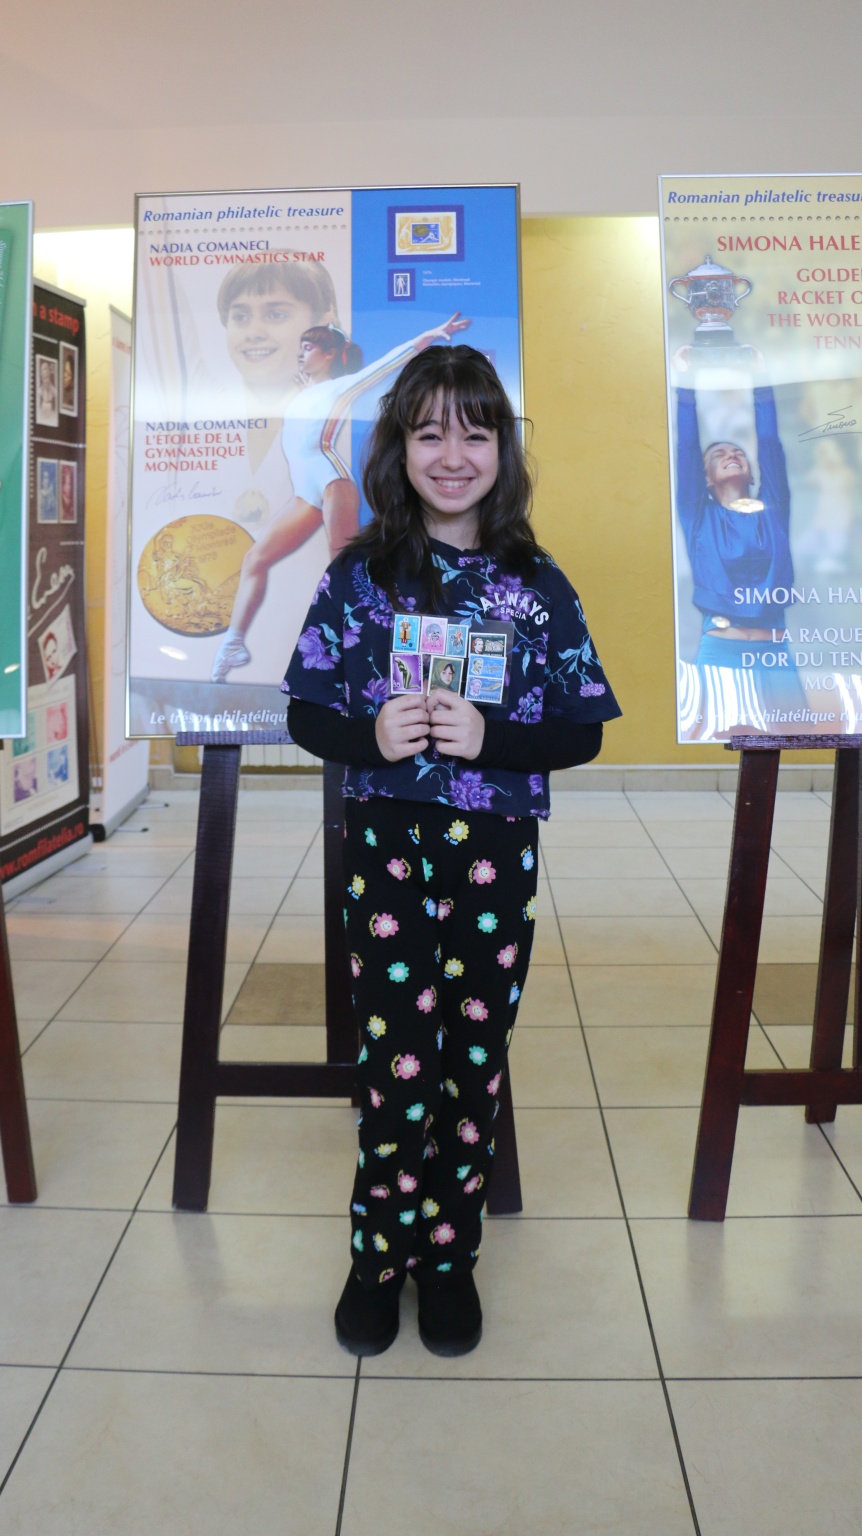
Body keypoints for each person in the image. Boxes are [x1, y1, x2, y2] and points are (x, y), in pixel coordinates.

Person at [283, 345, 620, 1358]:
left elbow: (584, 730)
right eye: (429, 432)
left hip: (493, 856)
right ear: (400, 447)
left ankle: (447, 1257)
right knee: (395, 1059)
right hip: (385, 850)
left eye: (475, 432)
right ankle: (374, 1257)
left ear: (502, 450)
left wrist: (493, 738)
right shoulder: (359, 576)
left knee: (472, 1059)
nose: (452, 454)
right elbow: (305, 711)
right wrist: (368, 735)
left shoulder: (537, 584)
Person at [212, 311, 471, 682]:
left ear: (330, 354)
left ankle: (389, 656)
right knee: (256, 558)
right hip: (305, 492)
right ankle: (233, 644)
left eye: (309, 347)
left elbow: (387, 364)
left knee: (347, 575)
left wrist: (430, 334)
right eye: (301, 346)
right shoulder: (304, 390)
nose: (300, 353)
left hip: (332, 483)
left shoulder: (341, 387)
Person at [673, 346, 803, 737]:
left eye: (738, 452)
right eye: (719, 454)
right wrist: (685, 384)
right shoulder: (697, 516)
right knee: (716, 742)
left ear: (752, 473)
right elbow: (686, 448)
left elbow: (770, 443)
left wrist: (761, 382)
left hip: (774, 654)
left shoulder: (773, 510)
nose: (731, 454)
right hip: (722, 653)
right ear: (706, 477)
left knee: (797, 740)